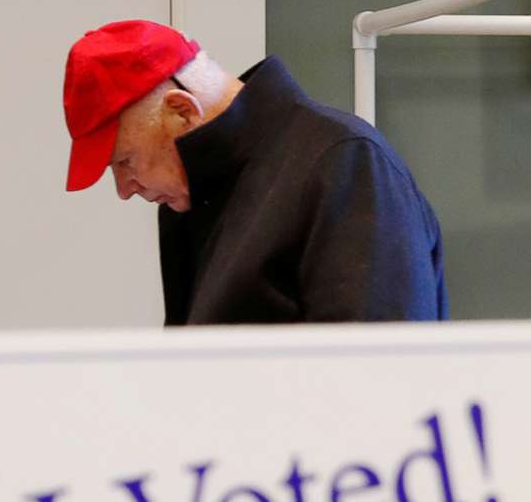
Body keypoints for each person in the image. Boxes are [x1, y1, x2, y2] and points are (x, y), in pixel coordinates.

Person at [61, 19, 447, 325]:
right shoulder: (197, 194)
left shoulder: (345, 163)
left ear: (181, 110)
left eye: (124, 160)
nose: (124, 190)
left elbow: (380, 382)